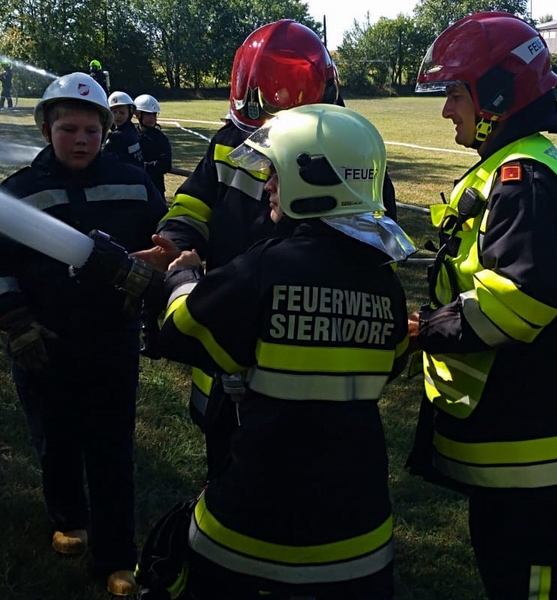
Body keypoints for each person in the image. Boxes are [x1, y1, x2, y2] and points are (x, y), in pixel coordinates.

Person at [135, 103, 414, 599]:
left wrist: (184, 276)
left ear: (313, 179)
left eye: (276, 173)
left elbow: (182, 331)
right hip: (361, 538)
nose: (266, 185)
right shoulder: (385, 284)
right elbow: (392, 362)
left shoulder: (265, 268)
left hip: (249, 529)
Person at [405, 12, 557, 600]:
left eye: (455, 94)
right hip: (531, 436)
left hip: (541, 441)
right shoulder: (518, 167)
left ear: (497, 97)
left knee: (530, 583)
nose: (446, 110)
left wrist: (423, 329)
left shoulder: (521, 178)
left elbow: (521, 300)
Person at [132, 19, 399, 481]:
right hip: (226, 321)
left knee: (305, 469)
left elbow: (366, 256)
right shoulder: (229, 142)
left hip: (301, 347)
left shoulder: (349, 154)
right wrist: (176, 245)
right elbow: (192, 206)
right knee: (229, 464)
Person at [0, 72, 167, 597]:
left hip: (111, 341)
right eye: (68, 129)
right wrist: (16, 322)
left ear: (106, 131)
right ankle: (68, 516)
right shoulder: (18, 192)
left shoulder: (134, 183)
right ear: (46, 130)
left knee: (111, 446)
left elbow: (161, 239)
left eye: (91, 131)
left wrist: (157, 270)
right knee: (55, 437)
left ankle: (116, 556)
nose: (80, 140)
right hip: (43, 343)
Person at [134, 93, 173, 197]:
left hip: (155, 188)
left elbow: (165, 163)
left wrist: (144, 167)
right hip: (135, 188)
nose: (152, 118)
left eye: (154, 114)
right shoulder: (131, 136)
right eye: (148, 114)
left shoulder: (160, 138)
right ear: (138, 114)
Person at [103, 90, 144, 168]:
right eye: (114, 112)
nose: (117, 116)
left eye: (122, 113)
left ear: (129, 113)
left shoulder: (117, 136)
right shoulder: (132, 129)